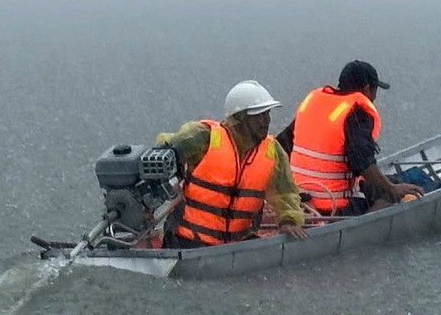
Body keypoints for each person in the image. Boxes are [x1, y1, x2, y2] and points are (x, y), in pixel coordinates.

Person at [156, 80, 310, 248]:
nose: (266, 120)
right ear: (239, 119)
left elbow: (285, 193)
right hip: (186, 242)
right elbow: (160, 155)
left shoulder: (272, 151)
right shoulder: (202, 137)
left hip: (237, 246)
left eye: (267, 114)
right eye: (259, 115)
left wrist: (288, 220)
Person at [277, 60, 421, 215]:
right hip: (333, 208)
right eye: (374, 91)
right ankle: (365, 227)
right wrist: (392, 188)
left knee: (376, 182)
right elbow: (363, 163)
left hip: (299, 199)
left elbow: (280, 146)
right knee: (390, 192)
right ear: (366, 90)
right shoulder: (357, 112)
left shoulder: (314, 103)